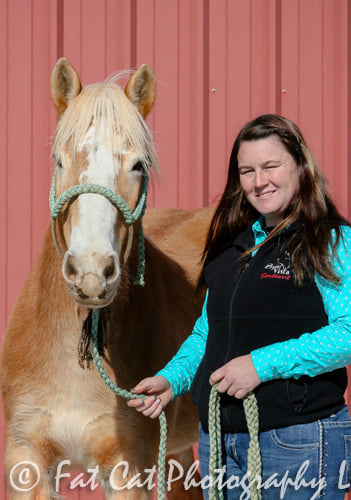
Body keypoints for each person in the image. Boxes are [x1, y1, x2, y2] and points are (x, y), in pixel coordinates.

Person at [127, 114, 351, 499]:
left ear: (299, 166)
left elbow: (346, 332)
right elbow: (207, 332)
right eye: (247, 170)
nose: (258, 181)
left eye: (270, 166)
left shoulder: (329, 241)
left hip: (295, 438)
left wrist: (260, 365)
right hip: (220, 440)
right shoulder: (234, 248)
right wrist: (171, 379)